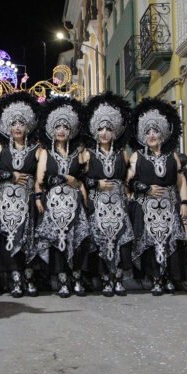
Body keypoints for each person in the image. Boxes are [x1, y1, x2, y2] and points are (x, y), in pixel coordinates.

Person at [127, 98, 187, 295]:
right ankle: (155, 278)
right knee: (150, 243)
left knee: (172, 241)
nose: (152, 135)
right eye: (148, 132)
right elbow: (127, 182)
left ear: (162, 133)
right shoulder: (136, 156)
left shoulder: (172, 155)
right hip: (146, 208)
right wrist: (145, 189)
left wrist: (184, 203)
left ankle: (171, 278)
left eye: (155, 131)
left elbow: (181, 182)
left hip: (169, 206)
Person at [33, 97, 89, 298]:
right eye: (57, 127)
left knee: (77, 240)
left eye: (65, 126)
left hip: (74, 205)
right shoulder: (45, 153)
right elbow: (40, 179)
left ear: (71, 129)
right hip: (54, 205)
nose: (61, 130)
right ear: (51, 130)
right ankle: (63, 281)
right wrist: (40, 197)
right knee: (58, 242)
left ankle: (76, 278)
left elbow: (83, 179)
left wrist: (81, 190)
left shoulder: (78, 154)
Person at [81, 92, 134, 297]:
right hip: (98, 205)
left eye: (109, 129)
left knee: (121, 240)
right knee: (100, 241)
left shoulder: (123, 153)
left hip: (118, 205)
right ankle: (105, 279)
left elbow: (128, 178)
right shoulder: (88, 153)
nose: (104, 133)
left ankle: (118, 279)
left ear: (115, 132)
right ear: (95, 131)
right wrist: (97, 183)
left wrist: (128, 193)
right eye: (101, 129)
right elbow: (81, 179)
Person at [0, 92, 41, 297]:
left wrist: (37, 196)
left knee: (28, 238)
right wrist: (11, 176)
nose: (17, 127)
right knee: (8, 238)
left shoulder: (36, 149)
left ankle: (29, 278)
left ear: (27, 125)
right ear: (8, 126)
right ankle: (15, 280)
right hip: (5, 202)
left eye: (21, 123)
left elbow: (41, 175)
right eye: (14, 123)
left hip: (27, 201)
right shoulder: (0, 147)